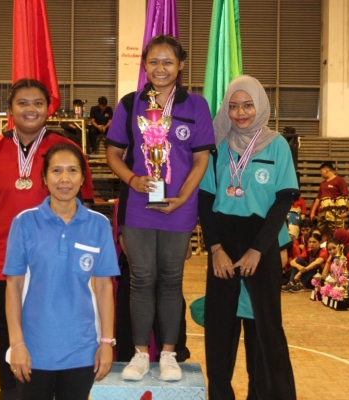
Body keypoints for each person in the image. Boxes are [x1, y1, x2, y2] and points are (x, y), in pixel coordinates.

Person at [0, 78, 94, 400]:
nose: (30, 109)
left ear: (48, 109)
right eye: (22, 103)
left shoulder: (66, 149)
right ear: (10, 109)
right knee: (6, 334)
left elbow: (85, 205)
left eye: (38, 103)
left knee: (54, 331)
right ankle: (11, 394)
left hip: (56, 264)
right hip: (2, 263)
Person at [106, 34, 215, 381]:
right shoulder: (130, 103)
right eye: (153, 61)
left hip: (180, 206)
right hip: (138, 205)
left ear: (181, 65)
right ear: (144, 65)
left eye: (168, 61)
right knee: (141, 279)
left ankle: (168, 354)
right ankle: (140, 354)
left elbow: (201, 160)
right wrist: (132, 179)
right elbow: (113, 153)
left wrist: (182, 197)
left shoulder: (196, 106)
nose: (161, 68)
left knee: (170, 280)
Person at [198, 75, 298, 399]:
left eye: (247, 105)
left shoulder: (277, 144)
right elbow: (205, 200)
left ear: (261, 105)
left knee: (265, 329)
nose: (240, 112)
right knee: (220, 329)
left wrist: (259, 249)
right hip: (224, 245)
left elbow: (284, 199)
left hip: (262, 242)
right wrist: (215, 249)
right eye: (233, 106)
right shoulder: (217, 146)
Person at [3, 143, 118, 400]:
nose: (64, 179)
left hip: (82, 351)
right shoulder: (24, 222)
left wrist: (106, 343)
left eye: (72, 170)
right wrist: (17, 343)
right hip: (33, 350)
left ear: (83, 178)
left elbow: (104, 287)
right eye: (56, 170)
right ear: (44, 178)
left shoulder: (99, 225)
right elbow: (14, 286)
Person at [309, 162, 348, 239]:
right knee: (320, 231)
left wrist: (343, 211)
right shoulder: (323, 184)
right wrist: (313, 211)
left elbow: (345, 196)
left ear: (326, 170)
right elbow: (318, 198)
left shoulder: (339, 180)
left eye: (321, 171)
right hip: (323, 212)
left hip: (335, 211)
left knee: (336, 232)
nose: (321, 174)